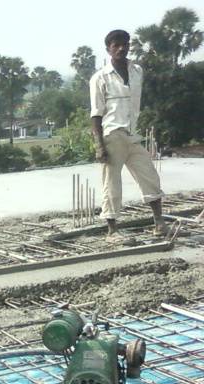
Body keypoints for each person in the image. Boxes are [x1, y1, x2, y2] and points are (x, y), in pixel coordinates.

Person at [90, 29, 169, 241]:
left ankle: (159, 223)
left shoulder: (136, 71)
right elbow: (95, 114)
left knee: (150, 176)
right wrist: (99, 145)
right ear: (108, 49)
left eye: (124, 44)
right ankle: (112, 231)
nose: (121, 48)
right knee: (112, 184)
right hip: (112, 135)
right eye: (116, 45)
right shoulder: (100, 77)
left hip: (133, 134)